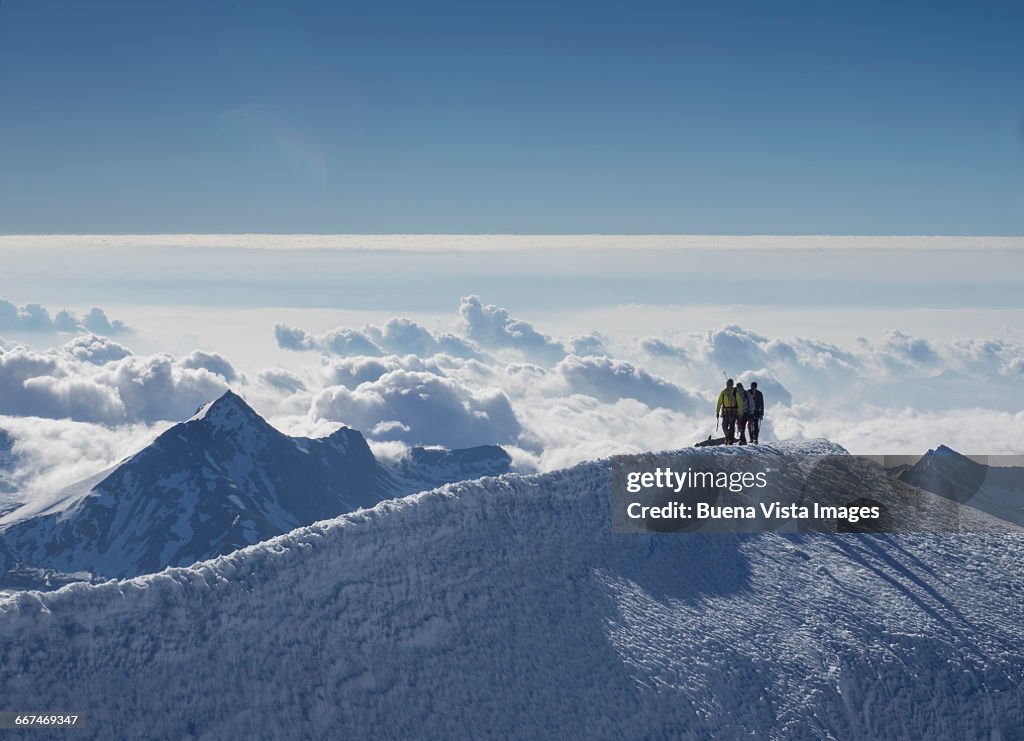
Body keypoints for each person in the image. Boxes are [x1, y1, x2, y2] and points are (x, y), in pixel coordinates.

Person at [715, 378, 743, 445]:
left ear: (732, 385)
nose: (729, 385)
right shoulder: (723, 393)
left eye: (730, 384)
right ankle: (727, 437)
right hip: (725, 412)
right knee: (724, 426)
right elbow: (719, 402)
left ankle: (730, 440)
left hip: (733, 412)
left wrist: (740, 412)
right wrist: (717, 411)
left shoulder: (735, 393)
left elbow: (739, 403)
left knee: (732, 426)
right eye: (728, 384)